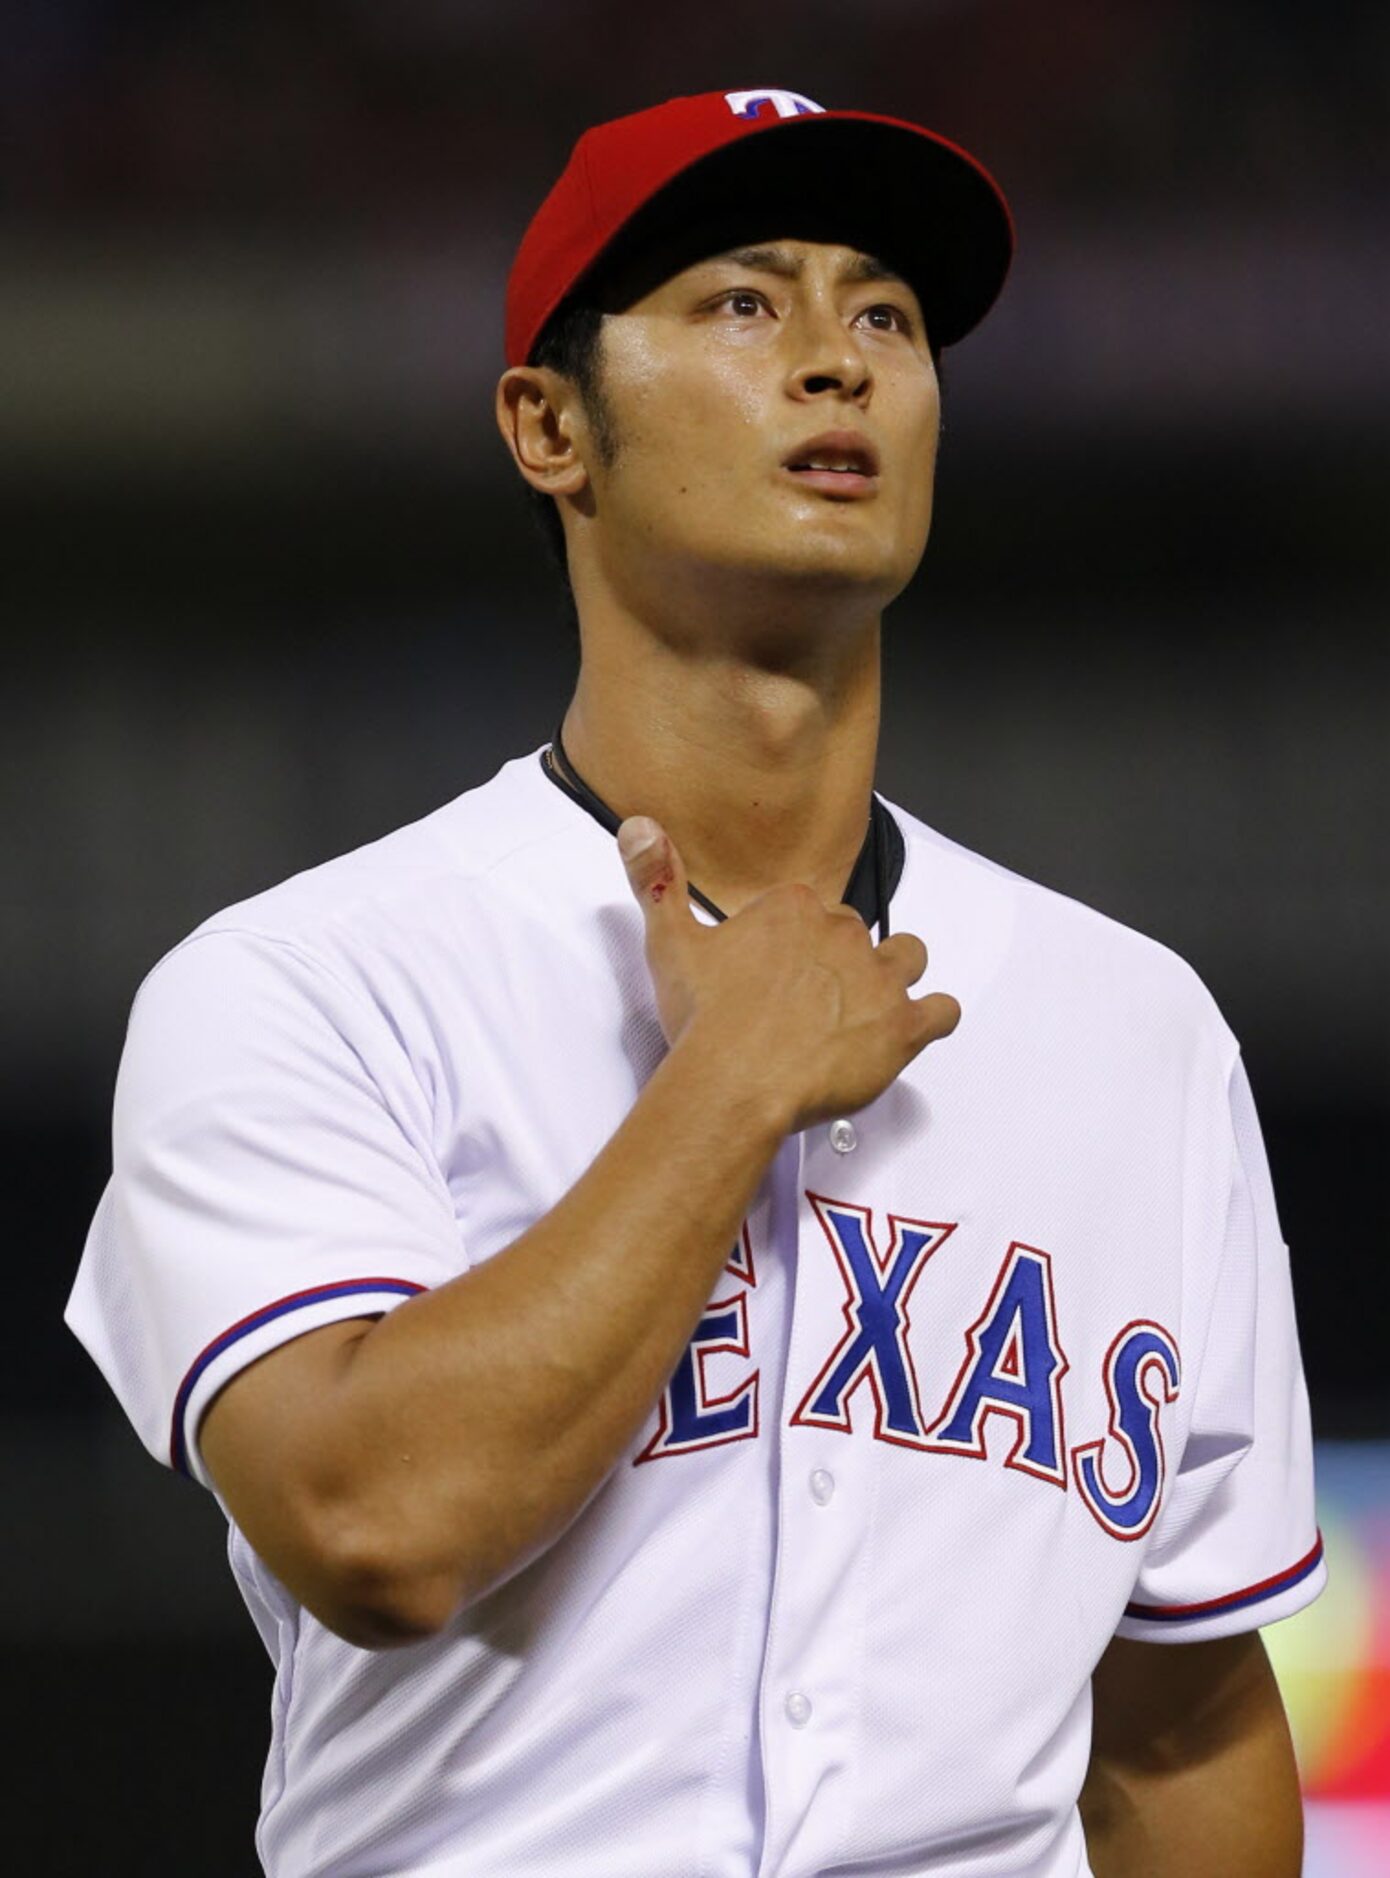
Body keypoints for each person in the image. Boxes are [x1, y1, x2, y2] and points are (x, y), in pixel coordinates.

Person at [67, 87, 1324, 1877]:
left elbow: (1182, 1725)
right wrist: (727, 1087)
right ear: (547, 426)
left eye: (883, 315)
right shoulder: (309, 981)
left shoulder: (1136, 1028)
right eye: (743, 303)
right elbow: (374, 1523)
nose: (838, 362)